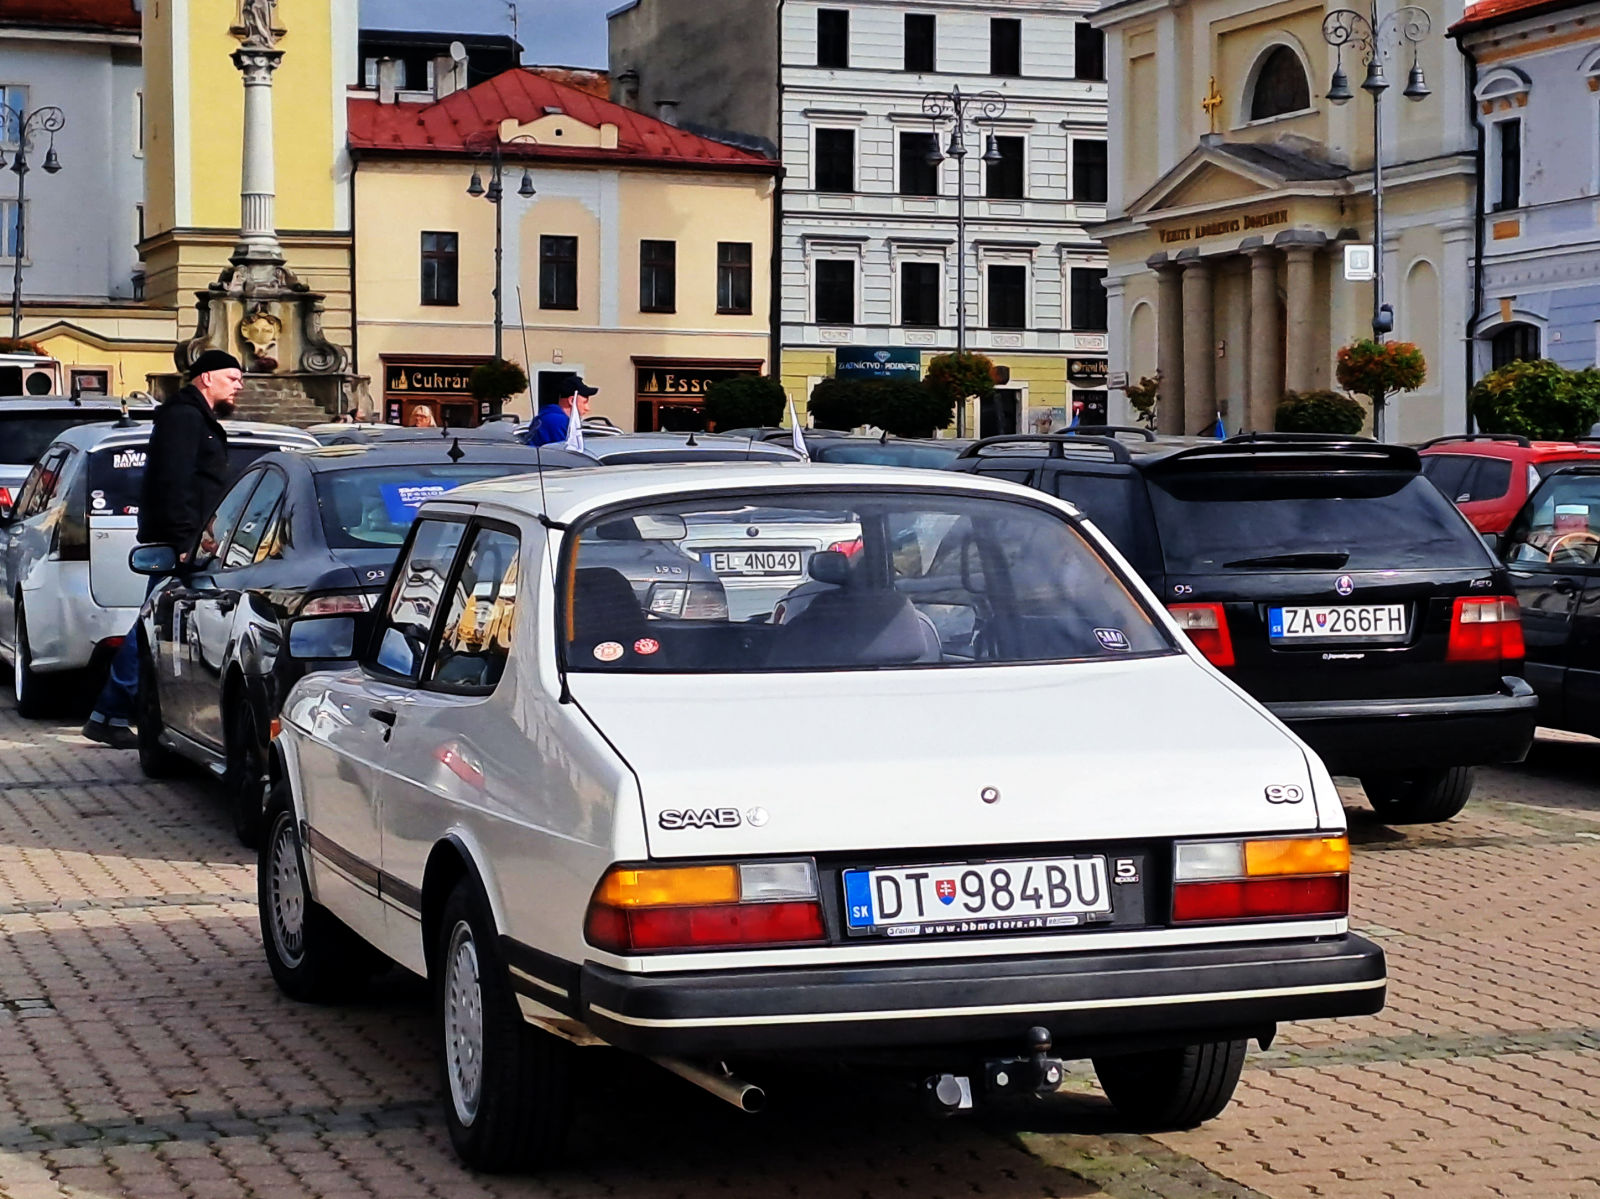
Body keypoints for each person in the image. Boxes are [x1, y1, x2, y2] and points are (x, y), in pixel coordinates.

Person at [82, 350, 243, 749]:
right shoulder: (184, 418)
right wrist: (185, 541)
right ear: (206, 378)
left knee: (160, 625)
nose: (239, 385)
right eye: (232, 378)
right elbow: (173, 483)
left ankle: (119, 711)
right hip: (179, 544)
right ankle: (113, 710)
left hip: (190, 540)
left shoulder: (194, 417)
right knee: (155, 627)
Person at [523, 374, 598, 447]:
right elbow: (564, 455)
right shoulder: (558, 421)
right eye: (584, 402)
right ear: (572, 401)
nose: (587, 408)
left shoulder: (546, 417)